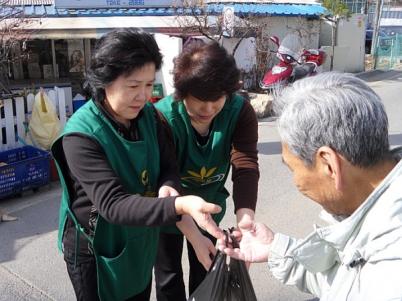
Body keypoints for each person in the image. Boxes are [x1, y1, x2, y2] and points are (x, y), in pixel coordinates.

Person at [51, 28, 223, 301]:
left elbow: (168, 166)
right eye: (133, 86)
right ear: (105, 80)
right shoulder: (80, 136)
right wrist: (178, 205)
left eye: (148, 84)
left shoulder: (150, 117)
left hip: (139, 238)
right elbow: (113, 205)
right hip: (96, 247)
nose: (143, 96)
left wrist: (168, 186)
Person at [218, 72, 402, 301]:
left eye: (293, 168)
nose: (296, 182)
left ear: (329, 164)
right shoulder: (380, 217)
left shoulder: (393, 269)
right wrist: (277, 250)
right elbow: (346, 282)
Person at [154, 41, 259, 300]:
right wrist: (193, 236)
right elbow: (166, 178)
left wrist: (245, 223)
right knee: (168, 278)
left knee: (207, 271)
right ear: (182, 92)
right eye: (201, 101)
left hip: (209, 209)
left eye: (218, 100)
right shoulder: (163, 117)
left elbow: (245, 165)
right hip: (170, 209)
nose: (209, 110)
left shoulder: (239, 110)